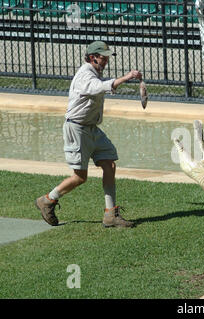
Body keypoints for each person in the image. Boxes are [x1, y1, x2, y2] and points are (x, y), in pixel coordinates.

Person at [35, 41, 142, 228]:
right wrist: (126, 77)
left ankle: (110, 214)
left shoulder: (95, 73)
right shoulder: (85, 74)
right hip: (76, 129)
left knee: (109, 164)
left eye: (108, 56)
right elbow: (97, 87)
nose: (107, 60)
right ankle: (47, 200)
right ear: (93, 57)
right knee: (79, 177)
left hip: (91, 128)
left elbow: (101, 86)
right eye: (103, 56)